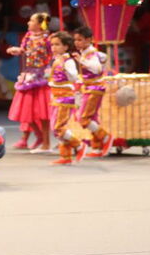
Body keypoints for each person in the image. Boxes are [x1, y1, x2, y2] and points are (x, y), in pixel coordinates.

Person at [6, 12, 52, 151]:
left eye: (31, 21)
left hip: (41, 77)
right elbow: (24, 50)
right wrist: (17, 50)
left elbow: (53, 54)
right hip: (29, 75)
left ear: (39, 24)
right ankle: (38, 136)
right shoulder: (28, 36)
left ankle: (46, 142)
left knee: (42, 112)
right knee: (25, 110)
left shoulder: (47, 39)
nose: (28, 23)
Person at [72, 27, 114, 157]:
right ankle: (97, 147)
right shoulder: (84, 52)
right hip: (89, 88)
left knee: (83, 119)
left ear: (89, 40)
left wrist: (81, 60)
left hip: (94, 89)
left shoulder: (91, 54)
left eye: (80, 40)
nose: (77, 42)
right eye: (75, 40)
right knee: (93, 119)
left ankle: (106, 137)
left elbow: (96, 69)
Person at [47, 31, 86, 165]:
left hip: (64, 98)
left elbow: (74, 77)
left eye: (57, 44)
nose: (53, 47)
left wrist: (66, 68)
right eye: (52, 45)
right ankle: (65, 156)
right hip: (56, 97)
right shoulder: (56, 60)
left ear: (66, 47)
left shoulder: (67, 61)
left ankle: (79, 145)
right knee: (57, 127)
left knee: (58, 128)